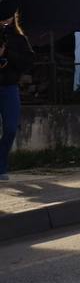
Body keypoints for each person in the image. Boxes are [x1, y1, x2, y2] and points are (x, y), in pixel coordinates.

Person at [0, 14, 35, 181]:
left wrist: (7, 53)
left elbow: (27, 62)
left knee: (11, 128)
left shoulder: (19, 39)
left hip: (8, 87)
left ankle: (1, 165)